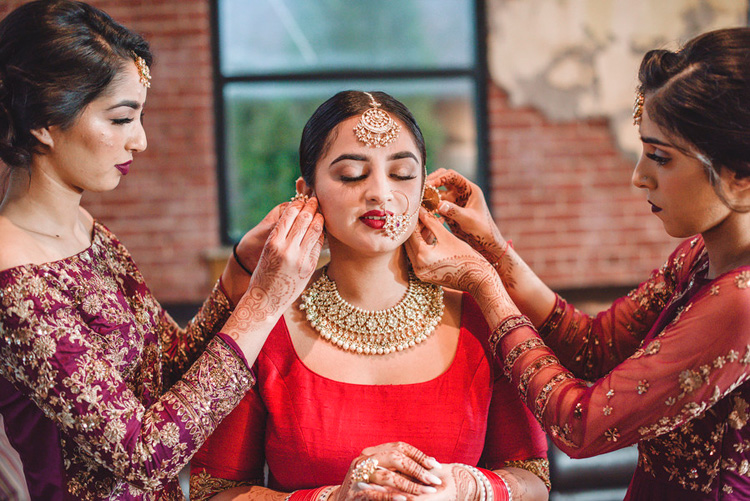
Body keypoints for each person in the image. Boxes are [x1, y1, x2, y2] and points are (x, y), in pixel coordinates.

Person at [405, 27, 750, 499]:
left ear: (740, 175)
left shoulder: (741, 304)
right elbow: (594, 345)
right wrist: (491, 247)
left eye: (660, 158)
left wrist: (485, 285)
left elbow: (580, 425)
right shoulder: (699, 256)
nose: (639, 177)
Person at [0, 1, 325, 499]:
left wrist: (240, 272)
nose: (141, 142)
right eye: (122, 118)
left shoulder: (89, 232)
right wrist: (264, 303)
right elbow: (145, 453)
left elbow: (166, 368)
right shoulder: (14, 283)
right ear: (45, 121)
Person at [189, 91, 550, 501]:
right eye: (352, 175)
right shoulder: (264, 327)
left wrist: (466, 487)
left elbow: (533, 479)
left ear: (423, 187)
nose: (381, 192)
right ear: (307, 192)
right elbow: (211, 491)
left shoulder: (481, 320)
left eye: (401, 174)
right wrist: (332, 499)